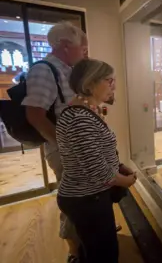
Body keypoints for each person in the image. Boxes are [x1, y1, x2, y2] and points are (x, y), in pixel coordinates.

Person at [56, 58, 137, 263]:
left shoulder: (84, 112)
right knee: (103, 254)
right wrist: (125, 180)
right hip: (86, 199)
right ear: (90, 83)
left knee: (95, 247)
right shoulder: (79, 118)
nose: (114, 86)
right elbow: (97, 171)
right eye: (109, 80)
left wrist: (118, 166)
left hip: (89, 196)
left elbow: (95, 153)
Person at [21, 21, 87, 262]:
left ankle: (86, 238)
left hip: (78, 148)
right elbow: (34, 114)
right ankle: (74, 251)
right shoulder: (44, 69)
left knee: (84, 197)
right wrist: (64, 146)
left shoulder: (66, 69)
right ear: (65, 45)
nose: (84, 52)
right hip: (65, 151)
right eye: (82, 47)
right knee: (72, 200)